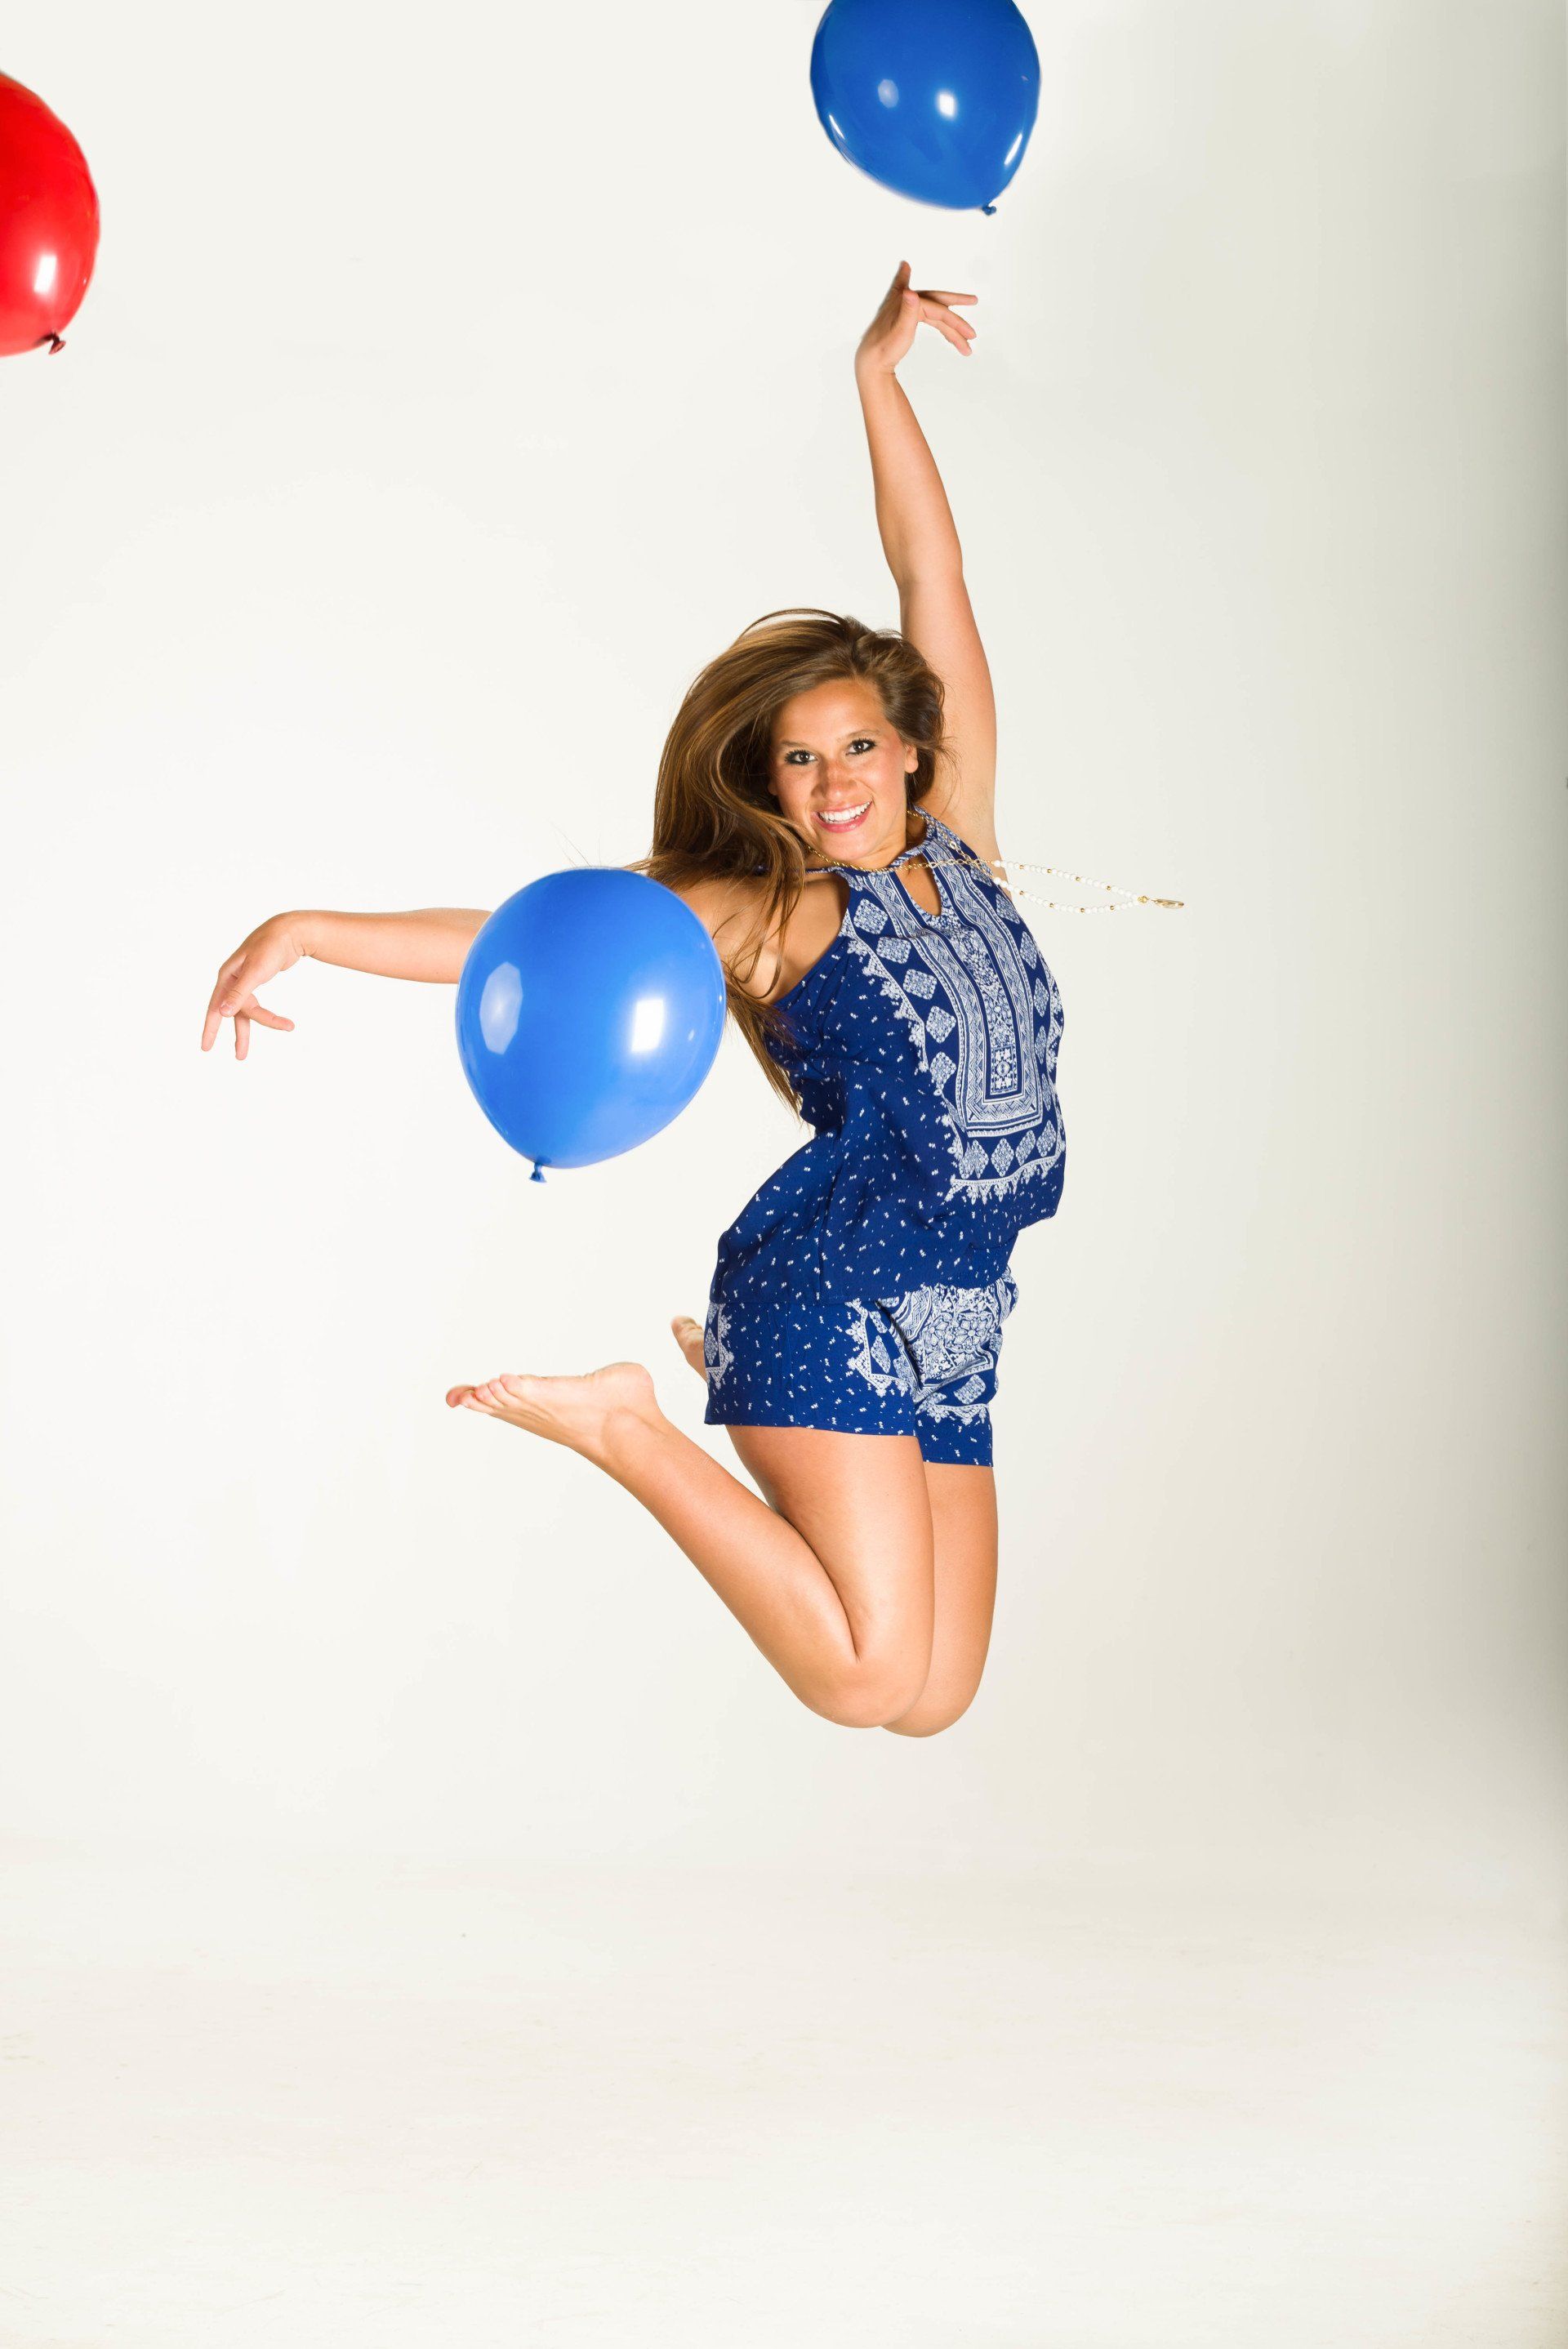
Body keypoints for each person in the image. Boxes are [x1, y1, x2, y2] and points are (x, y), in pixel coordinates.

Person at [201, 262, 1065, 1738]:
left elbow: (936, 577)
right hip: (835, 1289)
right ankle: (627, 1422)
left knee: (933, 1698)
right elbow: (538, 942)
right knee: (860, 1675)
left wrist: (876, 380)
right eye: (802, 760)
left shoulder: (967, 836)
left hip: (963, 1303)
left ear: (916, 749)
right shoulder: (767, 909)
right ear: (768, 781)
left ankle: (724, 1397)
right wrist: (311, 930)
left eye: (862, 745)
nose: (839, 779)